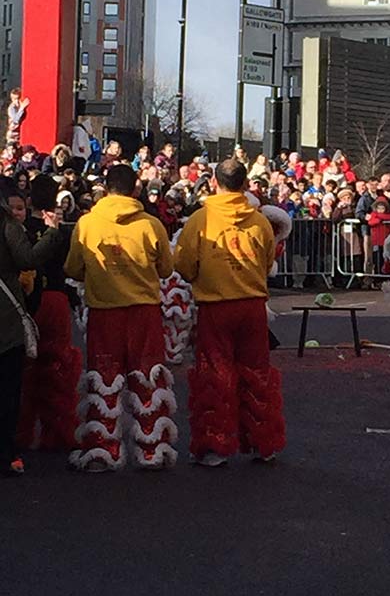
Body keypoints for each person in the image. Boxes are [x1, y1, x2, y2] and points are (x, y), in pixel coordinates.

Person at [65, 164, 177, 472]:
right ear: (136, 189)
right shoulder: (151, 225)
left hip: (105, 311)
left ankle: (102, 451)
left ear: (105, 187)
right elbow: (166, 269)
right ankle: (152, 450)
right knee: (148, 380)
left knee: (104, 380)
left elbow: (73, 268)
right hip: (144, 312)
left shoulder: (87, 224)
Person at [174, 158, 285, 467]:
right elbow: (266, 263)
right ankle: (264, 444)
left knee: (215, 373)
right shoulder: (259, 221)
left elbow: (182, 264)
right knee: (257, 372)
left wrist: (201, 275)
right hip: (252, 306)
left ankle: (215, 446)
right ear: (246, 183)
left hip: (215, 306)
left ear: (214, 182)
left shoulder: (200, 219)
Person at [0, 178, 63, 477]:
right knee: (9, 388)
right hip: (5, 319)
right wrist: (52, 233)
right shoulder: (7, 224)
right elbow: (28, 259)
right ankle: (8, 452)